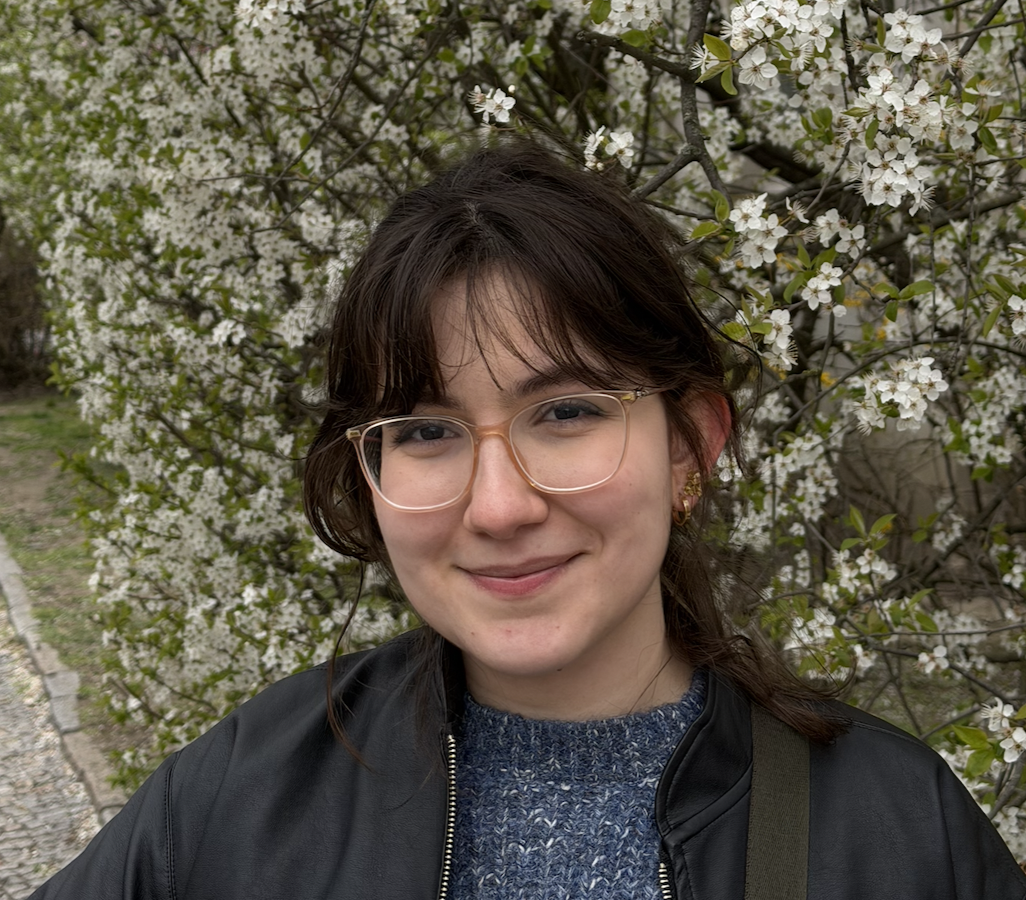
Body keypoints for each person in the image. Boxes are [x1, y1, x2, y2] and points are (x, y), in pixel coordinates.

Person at [29, 142, 1026, 900]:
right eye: (427, 431)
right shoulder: (241, 803)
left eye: (567, 414)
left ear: (690, 448)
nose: (500, 506)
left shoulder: (900, 835)